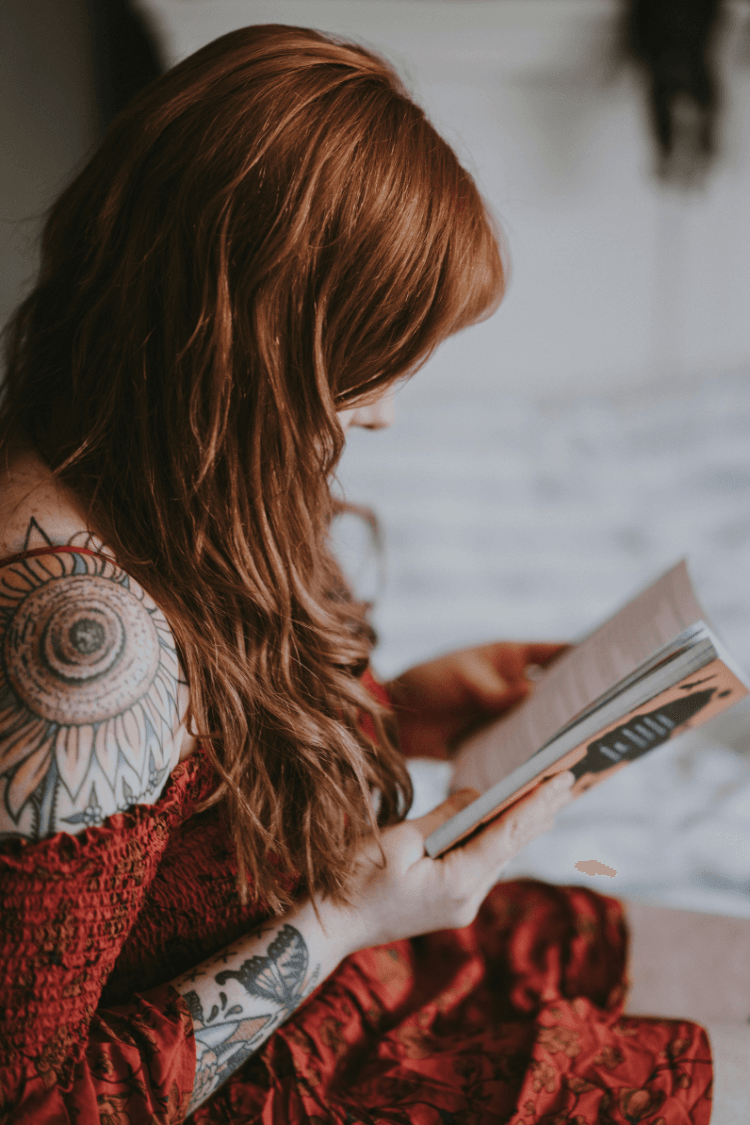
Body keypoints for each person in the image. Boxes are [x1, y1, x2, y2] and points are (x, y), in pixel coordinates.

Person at [0, 23, 719, 1124]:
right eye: (357, 371)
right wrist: (340, 921)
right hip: (264, 1062)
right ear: (245, 349)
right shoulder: (80, 650)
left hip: (343, 967)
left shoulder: (158, 462)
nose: (381, 414)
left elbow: (204, 776)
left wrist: (403, 711)